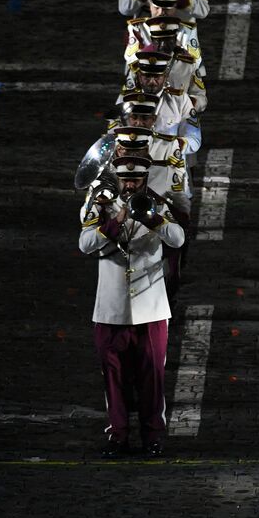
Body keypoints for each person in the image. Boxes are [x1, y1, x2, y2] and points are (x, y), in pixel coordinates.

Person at [79, 154, 186, 458]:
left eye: (136, 179)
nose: (129, 185)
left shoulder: (158, 205)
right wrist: (115, 223)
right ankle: (118, 435)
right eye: (125, 179)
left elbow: (178, 239)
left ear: (144, 180)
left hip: (150, 309)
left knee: (152, 377)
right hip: (111, 308)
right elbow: (85, 244)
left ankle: (153, 436)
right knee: (113, 377)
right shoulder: (99, 207)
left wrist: (152, 219)